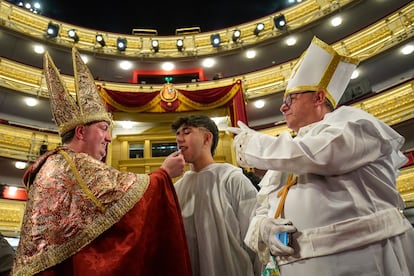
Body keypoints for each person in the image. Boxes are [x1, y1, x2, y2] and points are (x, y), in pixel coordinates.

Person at [227, 36, 414, 276]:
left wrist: (254, 144)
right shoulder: (289, 152)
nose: (282, 108)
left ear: (318, 97)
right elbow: (263, 207)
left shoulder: (353, 124)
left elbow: (323, 155)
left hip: (361, 259)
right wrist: (263, 227)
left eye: (290, 99)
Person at [11, 48, 192, 276]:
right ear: (80, 132)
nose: (109, 138)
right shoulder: (73, 165)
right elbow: (131, 205)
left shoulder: (53, 163)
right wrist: (163, 174)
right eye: (103, 129)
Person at [171, 115, 261, 276]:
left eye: (186, 132)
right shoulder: (176, 189)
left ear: (207, 138)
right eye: (177, 134)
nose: (179, 139)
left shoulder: (232, 178)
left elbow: (255, 236)